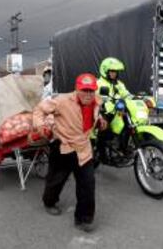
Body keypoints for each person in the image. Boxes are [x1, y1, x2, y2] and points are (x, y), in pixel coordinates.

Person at [32, 73, 108, 233]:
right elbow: (39, 110)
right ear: (77, 89)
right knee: (57, 180)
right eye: (84, 90)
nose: (88, 94)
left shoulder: (97, 101)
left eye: (91, 90)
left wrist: (100, 120)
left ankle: (84, 218)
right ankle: (49, 202)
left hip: (83, 147)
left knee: (88, 183)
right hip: (63, 146)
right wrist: (41, 126)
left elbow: (95, 112)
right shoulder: (62, 101)